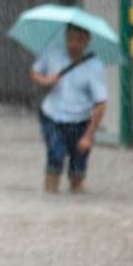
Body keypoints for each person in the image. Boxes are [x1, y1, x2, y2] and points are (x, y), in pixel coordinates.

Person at [30, 24, 108, 193]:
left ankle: (75, 197)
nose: (73, 44)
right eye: (70, 38)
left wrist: (88, 136)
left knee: (78, 170)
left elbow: (101, 103)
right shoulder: (52, 53)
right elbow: (35, 72)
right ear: (65, 37)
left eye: (78, 39)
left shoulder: (94, 67)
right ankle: (50, 198)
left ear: (87, 41)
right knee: (55, 156)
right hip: (52, 116)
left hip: (80, 121)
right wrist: (45, 80)